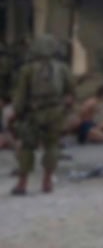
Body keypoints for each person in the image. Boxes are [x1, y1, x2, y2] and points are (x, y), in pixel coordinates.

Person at [10, 35, 75, 195]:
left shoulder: (27, 69)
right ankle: (47, 182)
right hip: (56, 112)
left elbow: (20, 95)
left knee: (27, 146)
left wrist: (17, 112)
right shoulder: (63, 68)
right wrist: (66, 110)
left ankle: (22, 184)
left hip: (33, 113)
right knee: (52, 146)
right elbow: (71, 92)